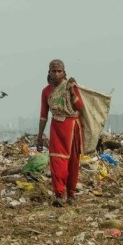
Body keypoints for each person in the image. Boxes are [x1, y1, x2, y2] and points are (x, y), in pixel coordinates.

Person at [37, 59, 84, 207]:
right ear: (49, 73)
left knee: (73, 162)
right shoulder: (46, 91)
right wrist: (39, 136)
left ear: (64, 73)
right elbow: (43, 114)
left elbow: (80, 106)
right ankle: (59, 194)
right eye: (54, 71)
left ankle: (71, 194)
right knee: (57, 161)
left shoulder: (70, 86)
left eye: (59, 71)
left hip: (72, 127)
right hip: (56, 127)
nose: (56, 74)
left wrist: (71, 91)